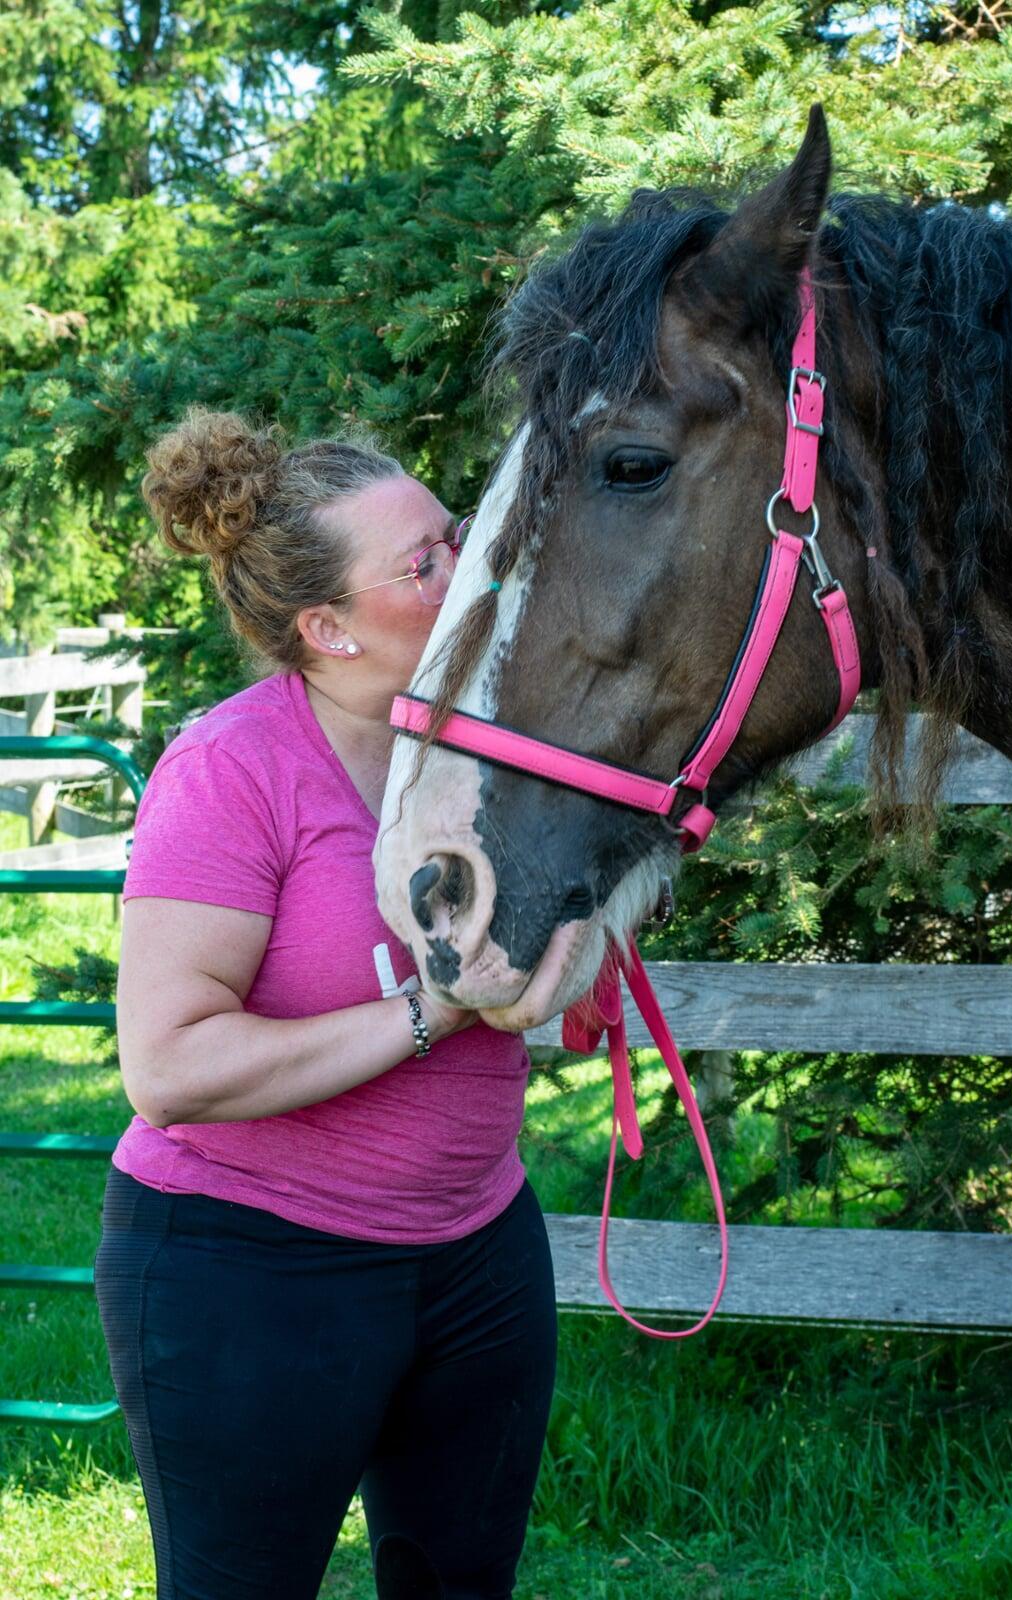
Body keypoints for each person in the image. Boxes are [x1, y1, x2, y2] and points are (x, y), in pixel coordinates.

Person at [92, 408, 558, 1600]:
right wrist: (431, 1009)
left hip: (476, 1251)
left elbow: (537, 956)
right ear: (328, 629)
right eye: (425, 563)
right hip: (248, 1267)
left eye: (455, 537)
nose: (470, 570)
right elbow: (171, 1063)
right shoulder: (233, 771)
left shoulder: (488, 751)